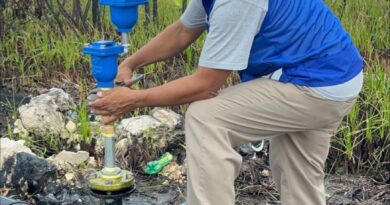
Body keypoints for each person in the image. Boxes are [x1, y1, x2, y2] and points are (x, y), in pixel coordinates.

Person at [90, 0, 364, 204]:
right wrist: (130, 63)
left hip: (312, 83)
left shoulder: (238, 2)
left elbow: (206, 86)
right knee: (297, 174)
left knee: (206, 117)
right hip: (337, 76)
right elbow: (183, 31)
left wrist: (132, 100)